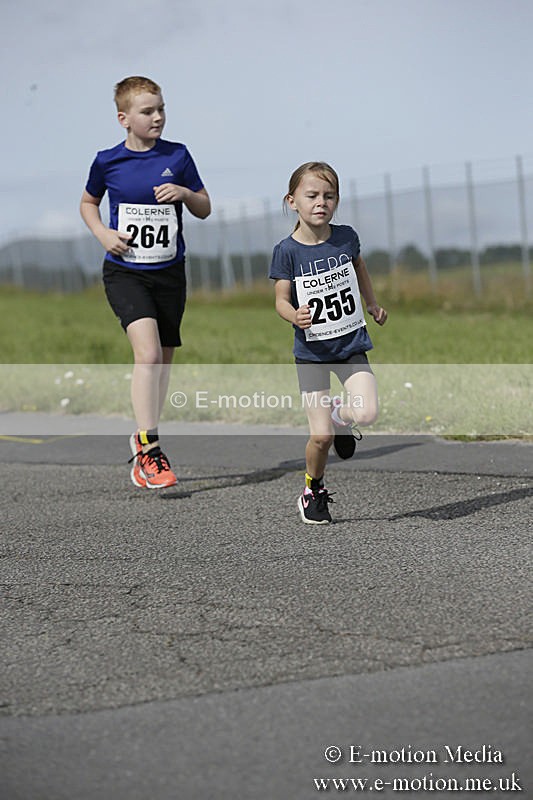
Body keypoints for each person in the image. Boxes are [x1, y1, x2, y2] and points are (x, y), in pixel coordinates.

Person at [80, 76, 211, 489]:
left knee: (163, 361)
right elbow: (88, 204)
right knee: (149, 354)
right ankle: (149, 448)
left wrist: (184, 193)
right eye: (147, 111)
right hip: (126, 271)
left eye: (161, 108)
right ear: (124, 118)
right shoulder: (107, 161)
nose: (157, 117)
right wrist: (103, 234)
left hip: (170, 273)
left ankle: (144, 435)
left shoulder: (179, 155)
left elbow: (205, 207)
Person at [269, 162, 387, 524]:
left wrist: (371, 302)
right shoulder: (287, 251)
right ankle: (312, 488)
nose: (321, 202)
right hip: (313, 354)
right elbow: (279, 300)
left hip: (350, 344)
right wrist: (294, 316)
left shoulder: (346, 237)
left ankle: (341, 417)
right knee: (319, 438)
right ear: (292, 201)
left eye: (329, 196)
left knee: (367, 412)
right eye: (312, 195)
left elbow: (360, 268)